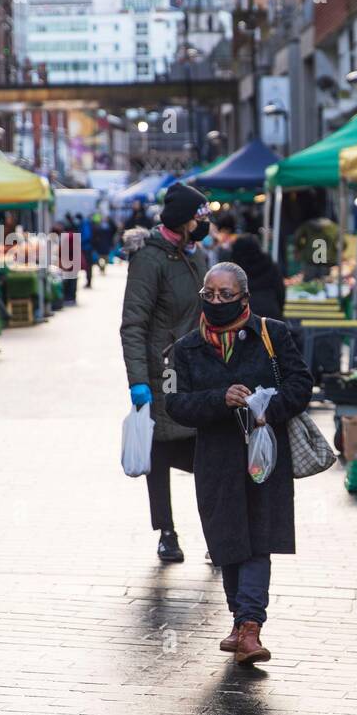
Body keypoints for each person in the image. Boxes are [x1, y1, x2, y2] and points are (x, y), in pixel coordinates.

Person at [165, 262, 312, 664]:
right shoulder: (186, 348)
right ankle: (239, 620)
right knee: (228, 540)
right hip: (216, 459)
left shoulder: (273, 334)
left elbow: (302, 385)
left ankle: (251, 626)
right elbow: (175, 403)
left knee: (257, 540)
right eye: (209, 295)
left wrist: (269, 408)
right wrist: (219, 398)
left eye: (225, 295)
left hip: (264, 457)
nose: (216, 302)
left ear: (244, 298)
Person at [121, 182, 212, 563]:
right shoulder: (150, 259)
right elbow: (133, 324)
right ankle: (167, 532)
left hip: (200, 371)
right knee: (160, 455)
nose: (205, 223)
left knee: (209, 455)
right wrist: (138, 380)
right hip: (162, 373)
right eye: (200, 217)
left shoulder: (199, 255)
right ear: (182, 221)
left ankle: (216, 533)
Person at [229, 233, 285, 321]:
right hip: (271, 312)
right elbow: (280, 292)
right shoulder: (270, 265)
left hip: (244, 315)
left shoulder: (234, 271)